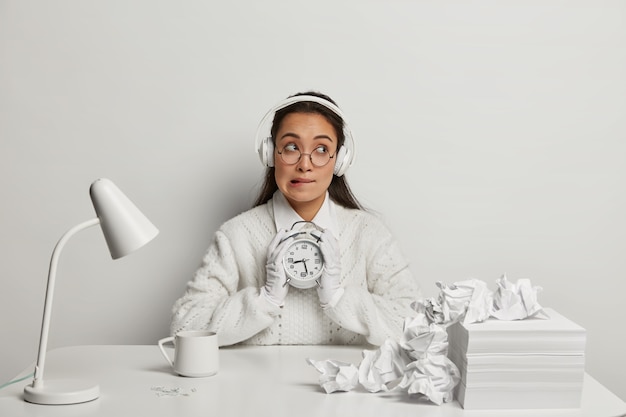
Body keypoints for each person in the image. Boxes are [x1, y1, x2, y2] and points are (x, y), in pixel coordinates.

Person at [170, 91, 421, 347]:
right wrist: (264, 300)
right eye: (291, 147)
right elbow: (185, 326)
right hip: (255, 386)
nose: (305, 165)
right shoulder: (236, 235)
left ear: (340, 161)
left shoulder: (369, 234)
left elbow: (416, 326)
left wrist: (340, 299)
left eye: (321, 149)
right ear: (270, 154)